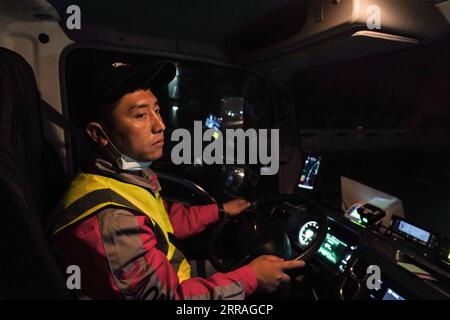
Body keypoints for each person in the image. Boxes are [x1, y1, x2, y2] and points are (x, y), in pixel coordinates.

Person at [49, 61, 305, 300]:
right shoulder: (111, 221)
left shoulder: (121, 178)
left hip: (175, 279)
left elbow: (164, 221)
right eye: (140, 115)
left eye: (157, 110)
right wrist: (251, 278)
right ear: (99, 134)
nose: (159, 125)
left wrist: (219, 210)